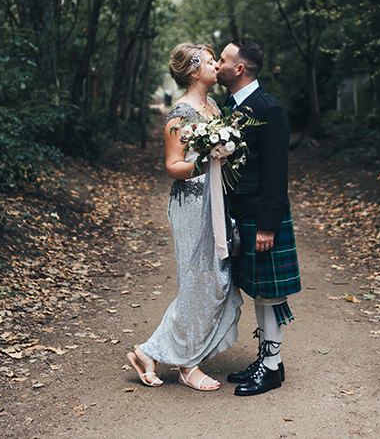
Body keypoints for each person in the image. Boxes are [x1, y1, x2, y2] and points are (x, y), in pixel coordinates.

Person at [126, 43, 242, 391]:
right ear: (194, 72)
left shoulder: (214, 106)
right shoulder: (181, 114)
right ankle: (187, 364)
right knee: (199, 283)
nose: (216, 66)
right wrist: (205, 161)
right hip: (192, 204)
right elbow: (173, 166)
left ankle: (149, 353)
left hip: (218, 201)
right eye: (210, 62)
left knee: (220, 281)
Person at [215, 39, 301, 396]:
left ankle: (270, 366)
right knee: (258, 290)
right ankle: (270, 364)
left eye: (222, 59)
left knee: (269, 294)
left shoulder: (269, 108)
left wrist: (269, 224)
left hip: (261, 215)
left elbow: (276, 173)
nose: (216, 64)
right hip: (239, 212)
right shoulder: (228, 107)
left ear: (240, 69)